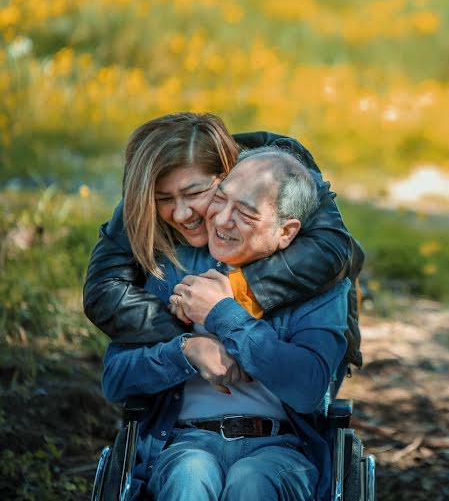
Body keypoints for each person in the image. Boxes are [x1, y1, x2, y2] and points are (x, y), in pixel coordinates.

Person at [102, 148, 349, 500]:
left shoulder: (319, 286)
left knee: (252, 481)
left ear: (286, 231)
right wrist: (187, 351)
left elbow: (309, 388)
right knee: (190, 472)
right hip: (186, 442)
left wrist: (222, 313)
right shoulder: (171, 269)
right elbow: (115, 377)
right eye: (220, 199)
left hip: (281, 448)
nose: (221, 220)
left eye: (245, 212)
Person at [83, 112, 363, 370]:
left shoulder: (280, 166)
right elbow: (104, 291)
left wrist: (235, 291)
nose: (181, 213)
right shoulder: (144, 196)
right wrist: (191, 335)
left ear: (229, 173)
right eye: (164, 199)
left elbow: (331, 249)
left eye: (195, 194)